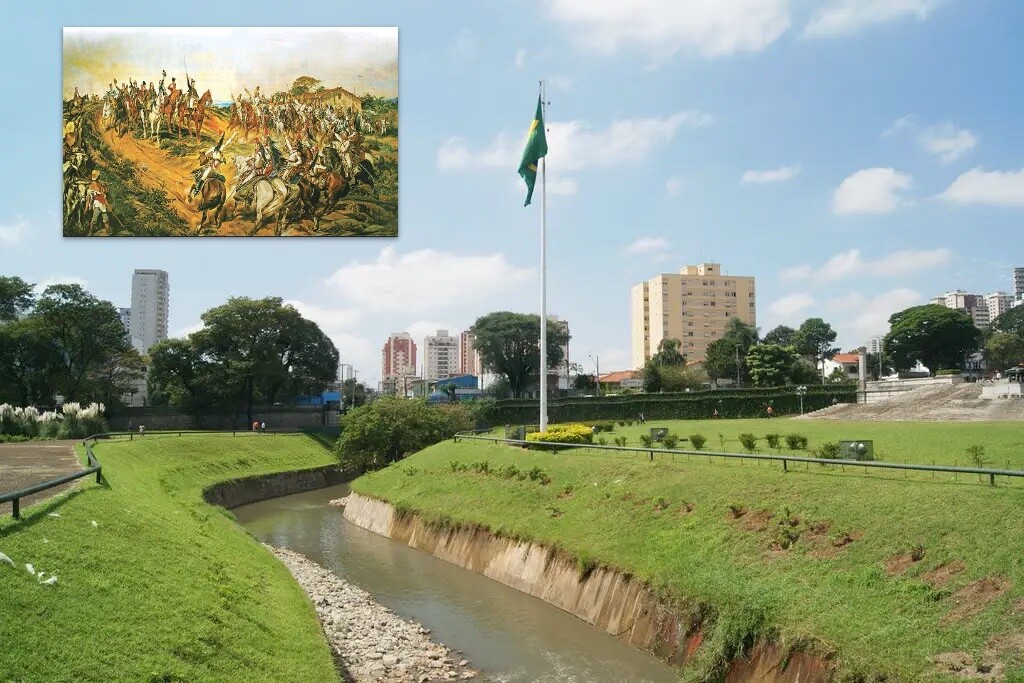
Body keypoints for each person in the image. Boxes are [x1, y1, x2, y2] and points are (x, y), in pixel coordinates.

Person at [87, 169, 111, 234]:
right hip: (98, 204)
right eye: (99, 175)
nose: (100, 176)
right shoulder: (92, 185)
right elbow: (89, 196)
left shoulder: (99, 184)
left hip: (102, 204)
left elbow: (104, 193)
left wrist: (104, 187)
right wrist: (86, 207)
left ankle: (108, 234)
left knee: (105, 220)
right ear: (97, 176)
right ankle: (90, 232)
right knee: (94, 220)